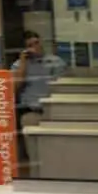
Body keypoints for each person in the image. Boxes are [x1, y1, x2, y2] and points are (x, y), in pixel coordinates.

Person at [12, 31, 66, 170]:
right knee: (32, 136)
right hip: (31, 109)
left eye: (37, 42)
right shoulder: (19, 65)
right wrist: (24, 64)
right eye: (30, 45)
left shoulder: (56, 61)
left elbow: (62, 86)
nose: (35, 47)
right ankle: (37, 168)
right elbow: (14, 88)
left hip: (54, 109)